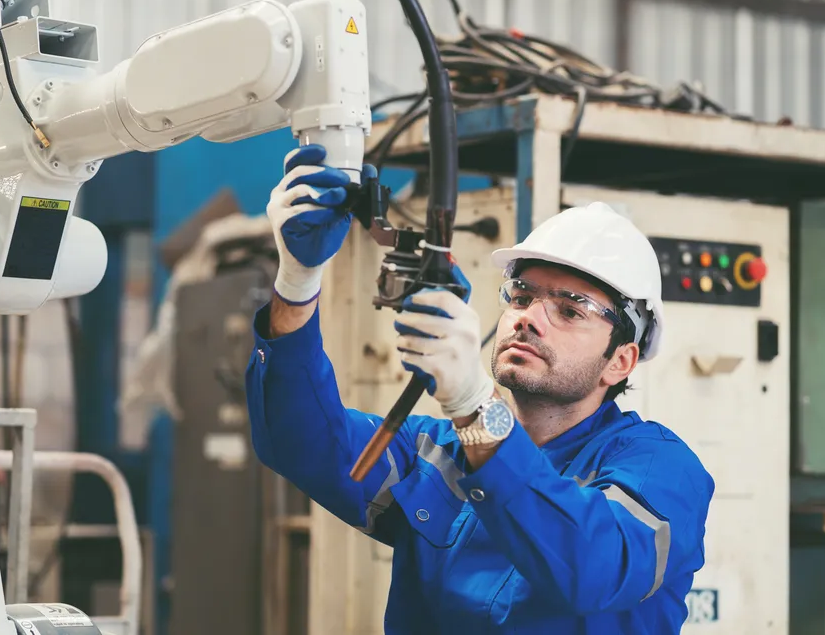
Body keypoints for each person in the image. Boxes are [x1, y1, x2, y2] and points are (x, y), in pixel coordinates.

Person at [245, 144, 715, 633]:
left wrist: (474, 406)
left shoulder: (660, 469)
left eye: (571, 310)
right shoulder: (434, 453)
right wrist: (297, 284)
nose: (530, 317)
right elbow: (297, 440)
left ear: (620, 362)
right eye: (523, 295)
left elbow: (590, 567)